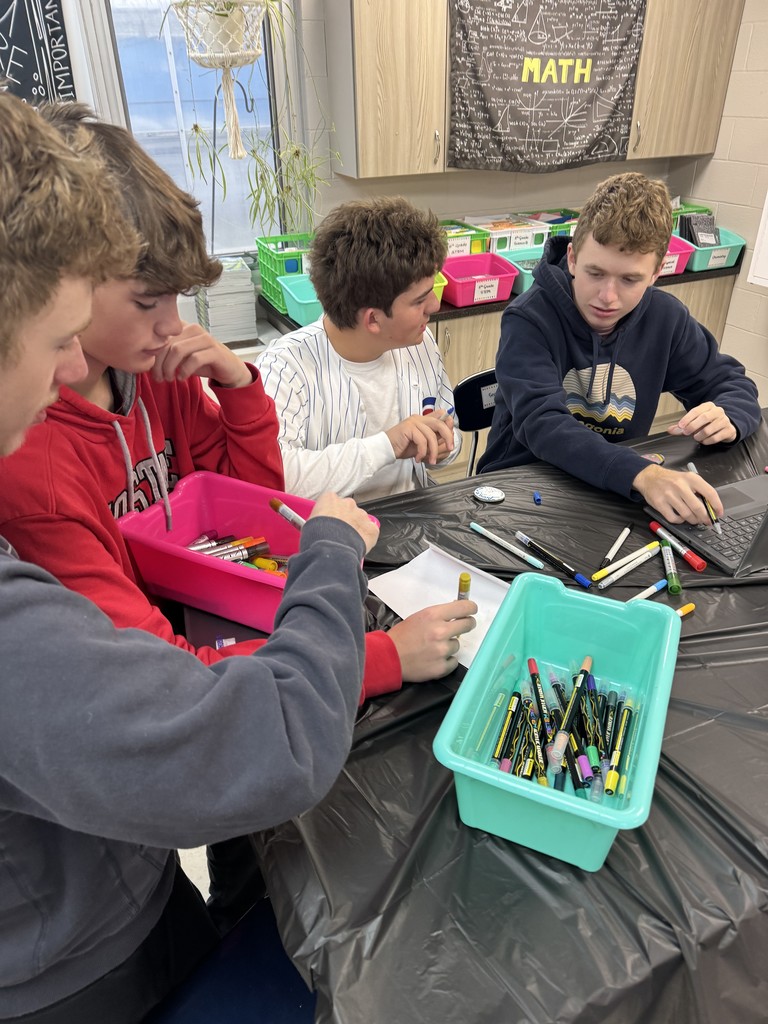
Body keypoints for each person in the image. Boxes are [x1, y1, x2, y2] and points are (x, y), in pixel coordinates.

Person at [0, 105, 476, 932]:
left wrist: (242, 391)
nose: (174, 326)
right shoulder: (33, 466)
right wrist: (380, 654)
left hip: (216, 677)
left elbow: (256, 517)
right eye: (147, 301)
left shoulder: (160, 372)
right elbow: (188, 696)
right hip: (190, 723)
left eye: (180, 302)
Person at [478, 172, 761, 528]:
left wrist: (730, 415)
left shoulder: (665, 318)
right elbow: (543, 424)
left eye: (629, 279)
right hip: (526, 484)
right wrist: (643, 475)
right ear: (572, 259)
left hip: (612, 486)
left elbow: (731, 382)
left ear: (657, 272)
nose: (607, 297)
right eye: (595, 273)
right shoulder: (529, 318)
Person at [258, 196, 462, 503]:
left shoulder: (419, 343)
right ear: (373, 319)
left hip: (409, 520)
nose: (434, 306)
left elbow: (451, 430)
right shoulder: (284, 368)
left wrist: (445, 444)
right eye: (420, 300)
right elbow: (278, 479)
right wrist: (388, 445)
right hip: (328, 537)